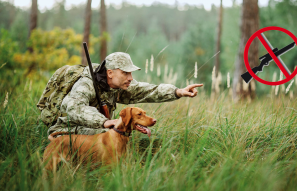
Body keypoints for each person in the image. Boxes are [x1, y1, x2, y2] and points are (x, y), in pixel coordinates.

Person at [48, 52, 203, 135]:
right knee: (109, 133)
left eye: (131, 73)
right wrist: (105, 122)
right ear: (110, 73)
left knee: (121, 134)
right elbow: (74, 108)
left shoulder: (119, 85)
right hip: (66, 129)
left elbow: (148, 91)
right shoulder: (86, 84)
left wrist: (178, 91)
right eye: (125, 73)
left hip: (95, 129)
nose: (130, 78)